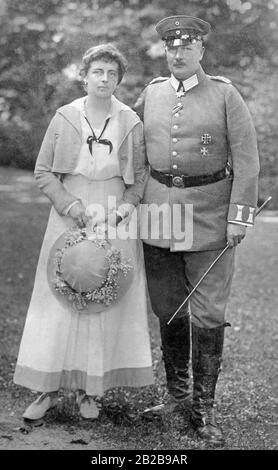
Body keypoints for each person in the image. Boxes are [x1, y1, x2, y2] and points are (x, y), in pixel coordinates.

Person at [134, 15, 260, 446]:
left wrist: (239, 217)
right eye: (172, 48)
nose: (179, 53)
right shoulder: (151, 94)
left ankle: (204, 410)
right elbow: (131, 147)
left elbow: (247, 160)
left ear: (201, 51)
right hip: (157, 216)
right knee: (167, 306)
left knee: (208, 312)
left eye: (187, 47)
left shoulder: (225, 94)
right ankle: (177, 396)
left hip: (209, 217)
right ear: (166, 52)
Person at [14, 43, 153, 421]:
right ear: (85, 75)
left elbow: (139, 177)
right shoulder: (65, 117)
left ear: (119, 80)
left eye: (111, 73)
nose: (104, 79)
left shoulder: (130, 121)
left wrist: (125, 208)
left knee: (102, 295)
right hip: (70, 211)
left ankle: (91, 392)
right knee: (61, 297)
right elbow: (44, 170)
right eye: (98, 72)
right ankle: (46, 388)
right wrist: (70, 205)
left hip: (113, 215)